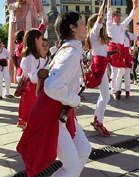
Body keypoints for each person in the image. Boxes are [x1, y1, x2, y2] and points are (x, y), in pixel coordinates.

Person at [17, 12, 91, 177]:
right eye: (81, 22)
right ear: (72, 27)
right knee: (71, 166)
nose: (85, 26)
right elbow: (52, 86)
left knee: (85, 150)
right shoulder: (70, 53)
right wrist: (75, 99)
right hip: (53, 114)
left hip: (61, 110)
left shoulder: (67, 50)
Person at [7, 0, 46, 83]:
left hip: (33, 19)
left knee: (34, 44)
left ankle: (36, 73)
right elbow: (9, 5)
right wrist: (17, 4)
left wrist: (43, 17)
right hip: (19, 20)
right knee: (19, 48)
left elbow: (39, 7)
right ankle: (17, 76)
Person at [85, 0, 111, 136]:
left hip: (102, 65)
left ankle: (97, 120)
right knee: (105, 96)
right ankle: (98, 120)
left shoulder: (100, 37)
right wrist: (104, 0)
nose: (104, 23)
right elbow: (101, 17)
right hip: (98, 66)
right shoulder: (95, 33)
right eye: (101, 22)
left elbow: (103, 53)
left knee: (105, 96)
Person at [107, 0, 138, 101]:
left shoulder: (122, 26)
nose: (119, 17)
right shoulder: (110, 26)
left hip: (120, 50)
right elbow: (108, 15)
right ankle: (114, 91)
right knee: (114, 72)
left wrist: (134, 7)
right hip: (113, 49)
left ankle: (118, 90)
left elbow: (129, 18)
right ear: (113, 17)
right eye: (116, 16)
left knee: (120, 71)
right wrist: (109, 1)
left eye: (119, 16)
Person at [16, 29, 47, 129]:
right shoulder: (30, 58)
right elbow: (33, 77)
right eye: (41, 38)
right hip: (31, 88)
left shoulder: (34, 56)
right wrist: (45, 73)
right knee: (31, 110)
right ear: (35, 39)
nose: (42, 41)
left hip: (34, 87)